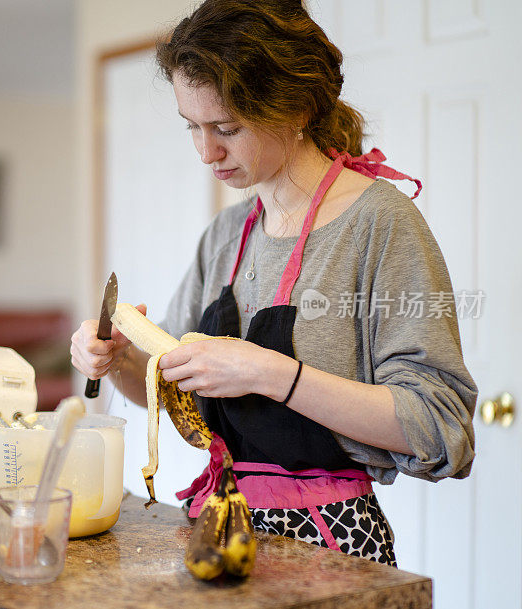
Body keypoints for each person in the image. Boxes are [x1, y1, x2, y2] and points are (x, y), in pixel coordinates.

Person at [71, 0, 476, 566]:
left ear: (295, 107)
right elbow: (170, 394)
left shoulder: (379, 223)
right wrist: (119, 361)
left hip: (332, 549)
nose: (205, 151)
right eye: (193, 126)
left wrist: (269, 372)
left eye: (227, 128)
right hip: (219, 533)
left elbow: (440, 426)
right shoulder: (227, 233)